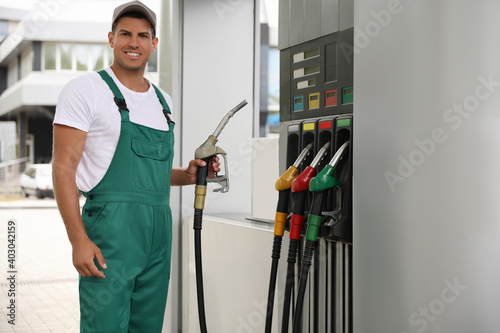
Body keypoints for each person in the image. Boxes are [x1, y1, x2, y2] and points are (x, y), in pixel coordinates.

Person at [52, 1, 219, 331]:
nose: (134, 42)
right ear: (111, 38)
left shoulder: (162, 100)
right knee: (106, 325)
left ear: (154, 44)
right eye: (125, 34)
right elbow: (62, 168)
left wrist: (187, 176)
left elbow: (149, 176)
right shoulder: (85, 90)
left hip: (158, 232)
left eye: (143, 36)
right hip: (112, 230)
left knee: (148, 326)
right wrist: (78, 240)